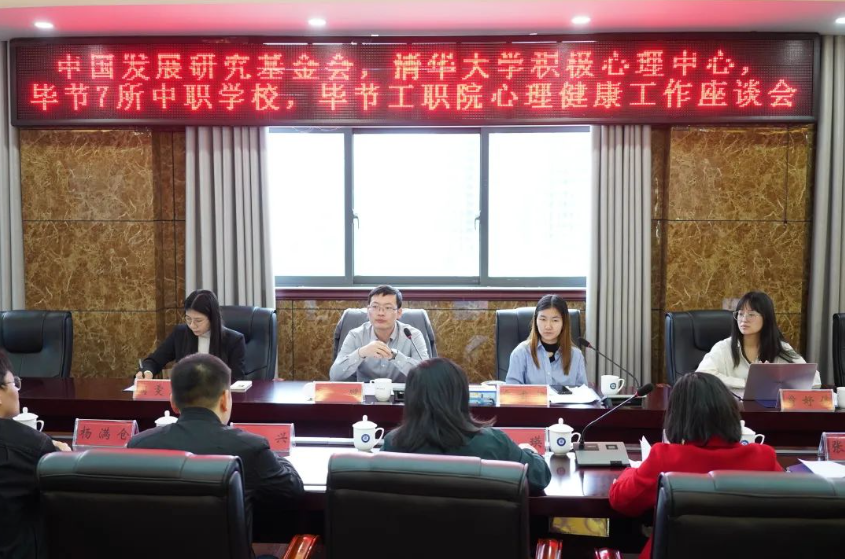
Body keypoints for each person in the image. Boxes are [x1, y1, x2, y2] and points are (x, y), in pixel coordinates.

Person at [608, 372, 782, 558]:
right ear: (730, 412)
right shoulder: (763, 457)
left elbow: (622, 501)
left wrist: (630, 472)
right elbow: (790, 506)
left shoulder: (665, 458)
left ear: (677, 417)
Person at [128, 353, 303, 538]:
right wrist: (271, 452)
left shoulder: (139, 446)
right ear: (225, 399)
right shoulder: (250, 447)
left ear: (173, 402)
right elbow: (293, 490)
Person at [383, 358, 551, 493]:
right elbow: (539, 477)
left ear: (411, 397)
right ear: (461, 395)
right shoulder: (493, 442)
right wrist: (529, 451)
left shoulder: (393, 443)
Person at [0, 350, 71, 559]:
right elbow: (63, 494)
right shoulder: (31, 447)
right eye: (14, 383)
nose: (17, 390)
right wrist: (63, 456)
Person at [697, 291, 820, 389]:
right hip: (733, 409)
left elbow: (814, 379)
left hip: (769, 410)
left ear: (766, 318)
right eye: (740, 314)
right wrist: (747, 382)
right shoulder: (724, 347)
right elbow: (702, 375)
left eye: (751, 314)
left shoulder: (779, 347)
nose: (744, 319)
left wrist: (776, 380)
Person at [137, 289, 246, 380]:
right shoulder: (180, 333)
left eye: (198, 320)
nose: (192, 325)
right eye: (188, 319)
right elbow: (154, 361)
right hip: (185, 396)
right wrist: (147, 371)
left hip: (218, 397)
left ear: (212, 318)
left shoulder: (234, 340)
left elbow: (237, 381)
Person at [330, 285, 429, 382]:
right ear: (368, 310)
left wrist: (395, 356)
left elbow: (426, 377)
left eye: (388, 308)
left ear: (399, 313)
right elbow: (335, 375)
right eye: (375, 307)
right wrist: (361, 353)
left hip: (401, 392)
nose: (380, 313)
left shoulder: (412, 335)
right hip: (366, 391)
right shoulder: (356, 335)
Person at [505, 294, 587, 387]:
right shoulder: (521, 353)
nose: (548, 326)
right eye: (543, 319)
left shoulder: (576, 356)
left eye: (555, 320)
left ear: (564, 323)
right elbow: (511, 392)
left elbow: (583, 392)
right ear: (536, 320)